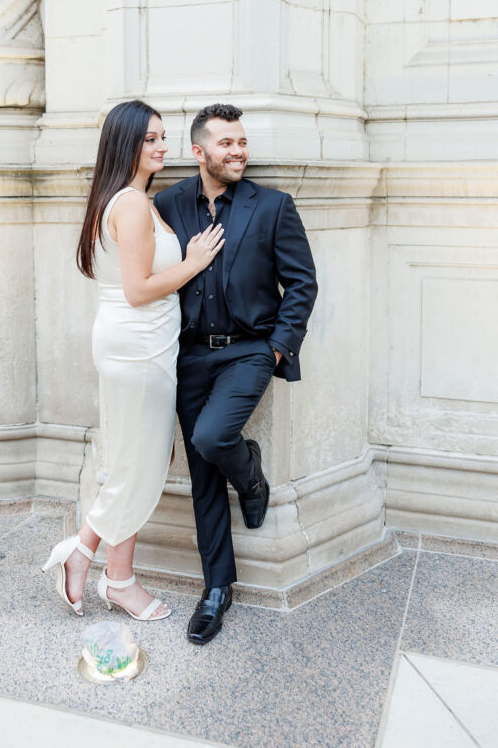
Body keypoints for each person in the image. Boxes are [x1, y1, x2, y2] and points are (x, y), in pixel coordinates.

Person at [42, 100, 224, 621]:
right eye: (150, 138)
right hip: (138, 344)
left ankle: (113, 573)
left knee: (141, 458)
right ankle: (86, 557)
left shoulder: (129, 201)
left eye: (163, 136)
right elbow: (139, 290)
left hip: (141, 345)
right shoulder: (130, 204)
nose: (162, 145)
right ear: (125, 144)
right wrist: (191, 264)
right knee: (137, 461)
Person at [154, 103, 318, 644]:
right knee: (202, 473)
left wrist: (277, 349)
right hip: (189, 353)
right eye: (226, 143)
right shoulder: (167, 204)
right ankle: (217, 588)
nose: (239, 151)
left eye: (242, 142)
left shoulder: (272, 206)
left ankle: (249, 471)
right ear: (198, 152)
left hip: (250, 349)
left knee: (212, 437)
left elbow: (302, 284)